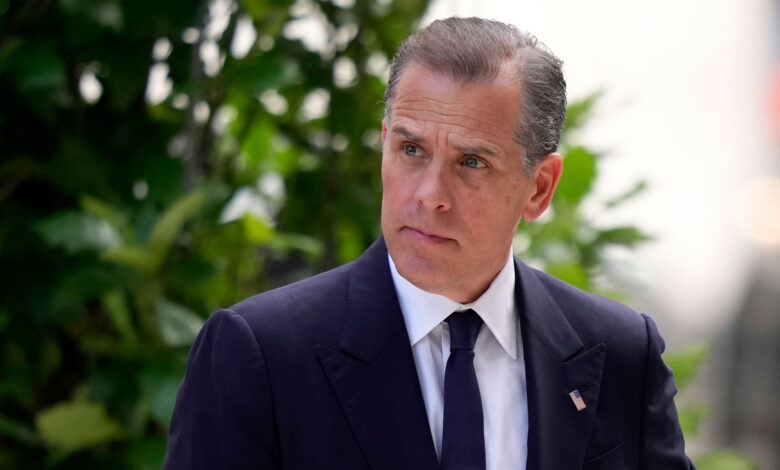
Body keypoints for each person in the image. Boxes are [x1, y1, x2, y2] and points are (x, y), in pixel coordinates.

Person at [163, 17, 695, 470]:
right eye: (411, 150)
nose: (430, 196)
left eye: (471, 162)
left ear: (539, 188)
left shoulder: (624, 353)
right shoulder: (261, 355)